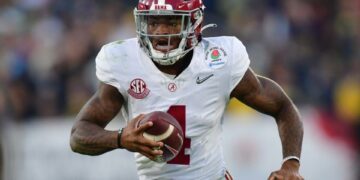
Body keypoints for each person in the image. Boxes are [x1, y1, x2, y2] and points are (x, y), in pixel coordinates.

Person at [70, 0, 304, 179]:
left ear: (194, 23)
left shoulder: (219, 60)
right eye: (153, 21)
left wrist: (291, 163)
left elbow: (283, 107)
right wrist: (120, 138)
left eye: (171, 21)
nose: (160, 31)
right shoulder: (122, 61)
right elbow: (79, 136)